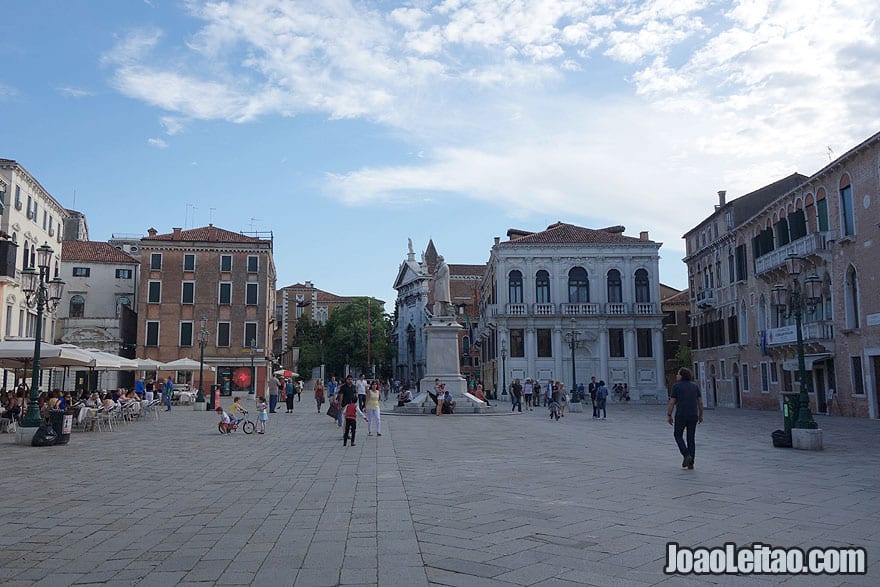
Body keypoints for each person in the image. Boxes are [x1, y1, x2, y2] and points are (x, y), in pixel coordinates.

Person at [667, 368, 703, 469]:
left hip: (681, 414)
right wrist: (700, 415)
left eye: (678, 374)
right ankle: (691, 463)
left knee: (678, 435)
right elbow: (700, 402)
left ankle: (686, 455)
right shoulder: (695, 386)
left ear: (682, 375)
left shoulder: (676, 386)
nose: (676, 376)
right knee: (691, 438)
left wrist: (669, 414)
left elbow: (672, 402)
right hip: (693, 415)